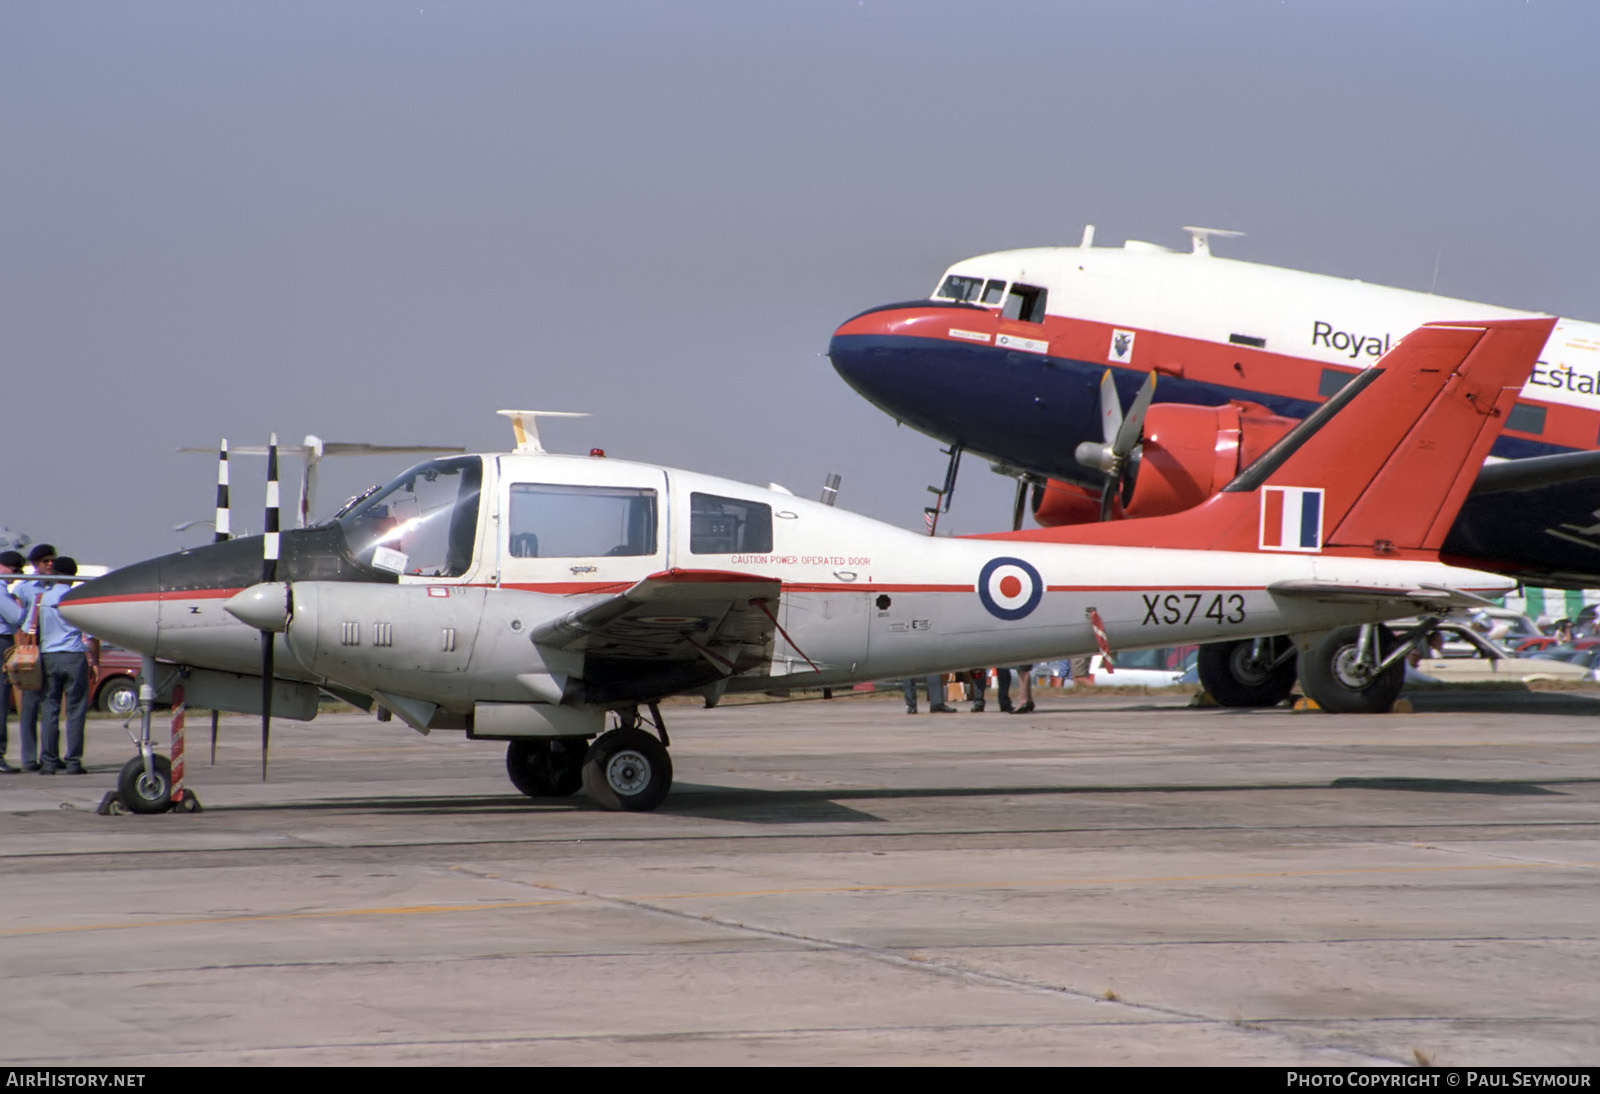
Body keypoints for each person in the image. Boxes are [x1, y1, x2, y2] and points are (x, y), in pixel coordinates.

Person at [29, 557, 97, 774]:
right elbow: (91, 635)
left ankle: (49, 761)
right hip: (74, 655)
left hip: (49, 656)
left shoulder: (42, 598)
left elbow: (29, 627)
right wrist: (95, 661)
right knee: (75, 710)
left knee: (50, 709)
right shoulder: (77, 597)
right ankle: (74, 761)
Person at [13, 545, 56, 771]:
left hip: (53, 647)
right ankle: (29, 758)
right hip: (32, 647)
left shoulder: (59, 586)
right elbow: (17, 622)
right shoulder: (25, 588)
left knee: (52, 705)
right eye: (45, 561)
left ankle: (51, 755)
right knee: (29, 706)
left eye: (52, 561)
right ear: (36, 564)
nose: (49, 564)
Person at [0, 550, 24, 772]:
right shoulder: (1, 592)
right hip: (2, 641)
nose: (15, 575)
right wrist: (19, 604)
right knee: (1, 698)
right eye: (13, 570)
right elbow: (16, 617)